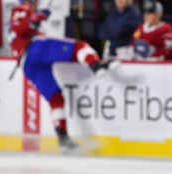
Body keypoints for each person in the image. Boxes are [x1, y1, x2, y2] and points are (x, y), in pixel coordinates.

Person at [9, 0, 117, 151]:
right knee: (78, 46)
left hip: (27, 65)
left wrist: (37, 18)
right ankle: (95, 65)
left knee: (56, 98)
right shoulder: (20, 9)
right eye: (34, 2)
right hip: (36, 49)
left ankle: (63, 138)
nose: (35, 5)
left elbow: (23, 29)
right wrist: (37, 17)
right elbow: (24, 26)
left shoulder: (20, 14)